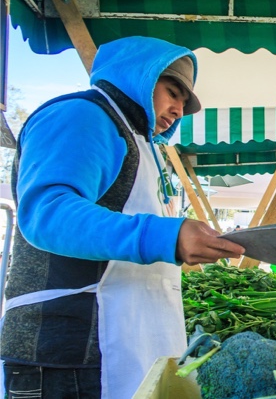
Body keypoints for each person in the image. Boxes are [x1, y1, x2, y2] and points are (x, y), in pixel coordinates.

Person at [0, 36, 246, 398]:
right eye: (172, 91)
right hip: (69, 352)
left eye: (184, 101)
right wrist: (165, 237)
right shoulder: (81, 115)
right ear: (139, 75)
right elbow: (47, 212)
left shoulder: (142, 144)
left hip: (122, 346)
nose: (179, 108)